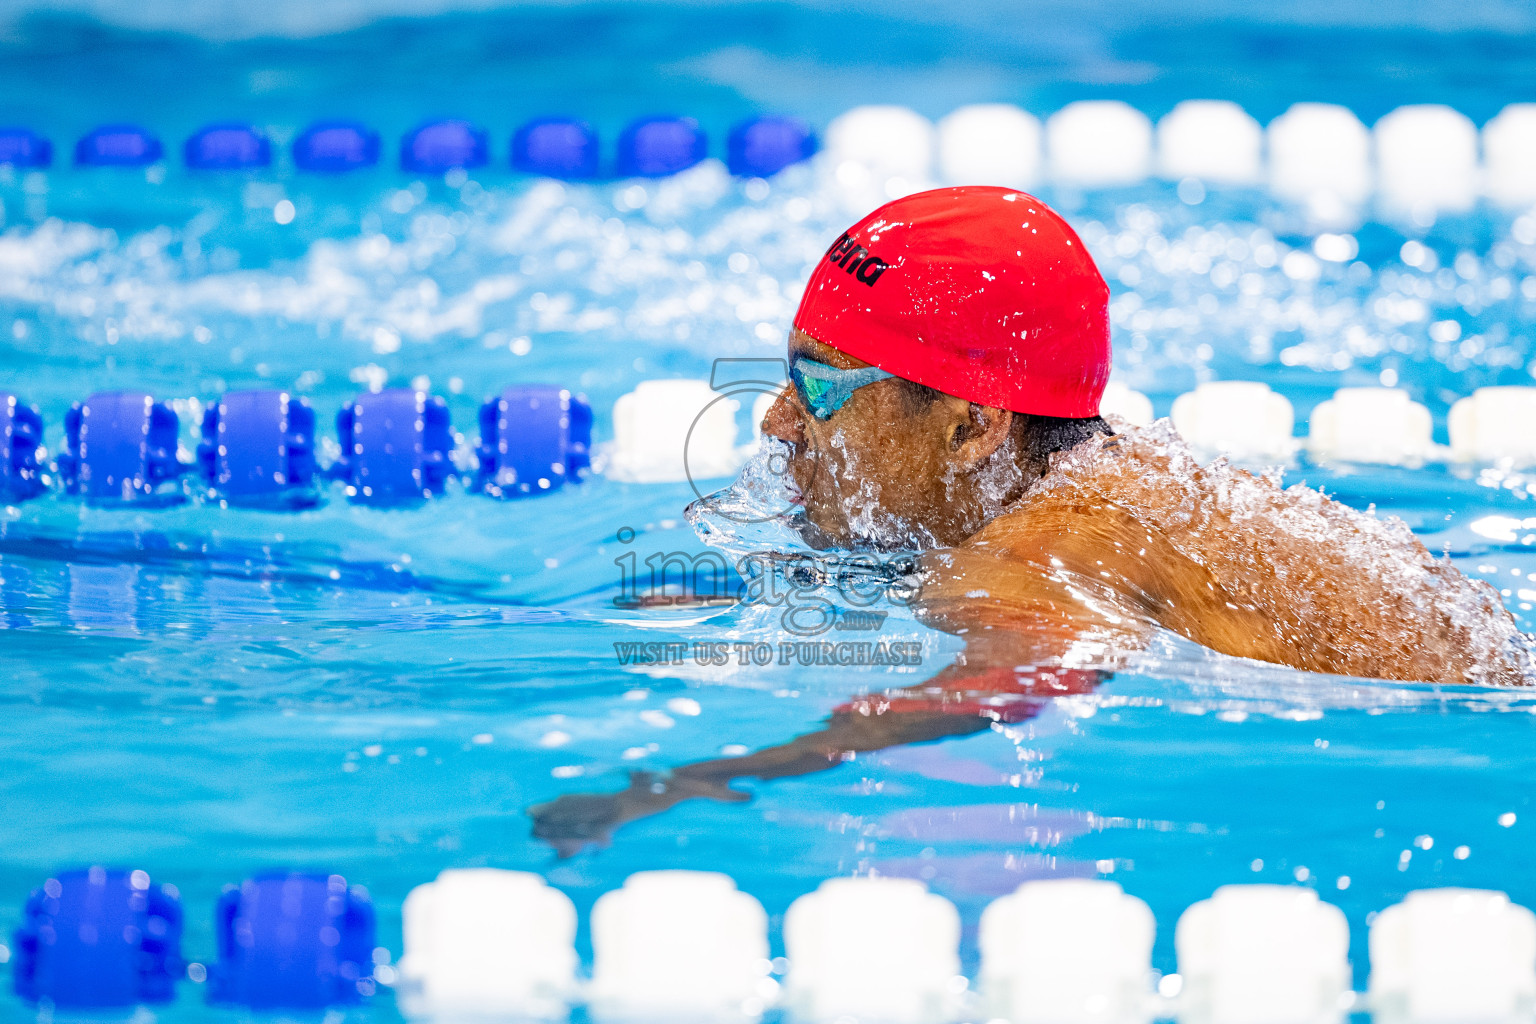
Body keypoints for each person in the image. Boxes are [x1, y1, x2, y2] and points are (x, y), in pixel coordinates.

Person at [530, 186, 1533, 855]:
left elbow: (1006, 682)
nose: (777, 419)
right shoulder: (1115, 480)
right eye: (790, 371)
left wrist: (699, 779)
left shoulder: (1034, 554)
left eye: (824, 386)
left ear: (972, 428)